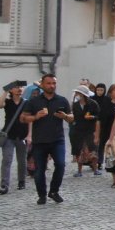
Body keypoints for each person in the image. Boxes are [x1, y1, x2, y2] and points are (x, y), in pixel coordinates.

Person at [22, 74, 74, 204]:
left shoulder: (62, 100)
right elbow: (23, 118)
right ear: (42, 85)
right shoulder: (34, 101)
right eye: (49, 83)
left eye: (54, 83)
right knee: (39, 170)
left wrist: (65, 116)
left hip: (57, 140)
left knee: (61, 165)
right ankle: (42, 195)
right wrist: (36, 117)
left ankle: (54, 191)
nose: (52, 86)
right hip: (39, 141)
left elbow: (72, 118)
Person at [1, 81, 30, 195]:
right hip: (9, 136)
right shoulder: (8, 102)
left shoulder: (26, 103)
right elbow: (0, 104)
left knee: (22, 161)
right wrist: (5, 91)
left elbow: (30, 120)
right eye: (17, 87)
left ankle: (21, 181)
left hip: (22, 135)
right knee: (6, 160)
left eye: (21, 87)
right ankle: (4, 184)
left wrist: (29, 135)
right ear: (11, 90)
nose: (19, 89)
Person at [69, 86, 100, 177]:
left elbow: (98, 116)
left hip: (90, 130)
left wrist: (92, 117)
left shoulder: (93, 104)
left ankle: (95, 169)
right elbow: (73, 116)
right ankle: (79, 170)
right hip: (78, 130)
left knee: (92, 150)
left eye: (78, 93)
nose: (76, 94)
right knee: (79, 150)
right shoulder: (75, 105)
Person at [98, 83, 115, 188]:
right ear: (110, 93)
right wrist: (97, 135)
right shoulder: (106, 104)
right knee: (111, 157)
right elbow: (100, 120)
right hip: (109, 134)